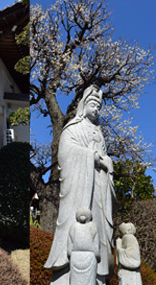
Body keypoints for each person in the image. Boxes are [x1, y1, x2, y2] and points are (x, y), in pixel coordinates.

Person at [45, 85, 116, 285]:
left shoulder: (99, 132)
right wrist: (90, 156)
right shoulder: (73, 128)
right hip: (80, 187)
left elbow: (104, 156)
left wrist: (106, 162)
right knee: (75, 222)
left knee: (100, 227)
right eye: (93, 104)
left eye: (99, 106)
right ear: (84, 105)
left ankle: (99, 273)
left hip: (98, 187)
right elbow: (65, 152)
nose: (96, 109)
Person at [67, 207, 100, 285]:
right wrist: (98, 257)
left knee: (75, 281)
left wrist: (70, 255)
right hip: (90, 257)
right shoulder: (93, 226)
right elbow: (96, 246)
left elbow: (69, 247)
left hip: (75, 256)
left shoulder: (73, 226)